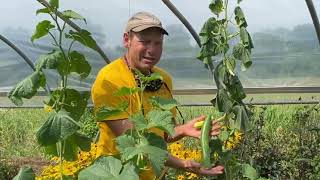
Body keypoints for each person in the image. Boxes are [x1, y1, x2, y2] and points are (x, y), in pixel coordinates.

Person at [91, 11, 224, 179]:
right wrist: (184, 165)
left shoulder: (163, 80)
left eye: (158, 43)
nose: (152, 50)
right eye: (145, 42)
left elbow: (162, 136)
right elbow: (136, 144)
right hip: (117, 174)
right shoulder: (109, 81)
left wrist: (183, 129)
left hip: (155, 175)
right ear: (127, 40)